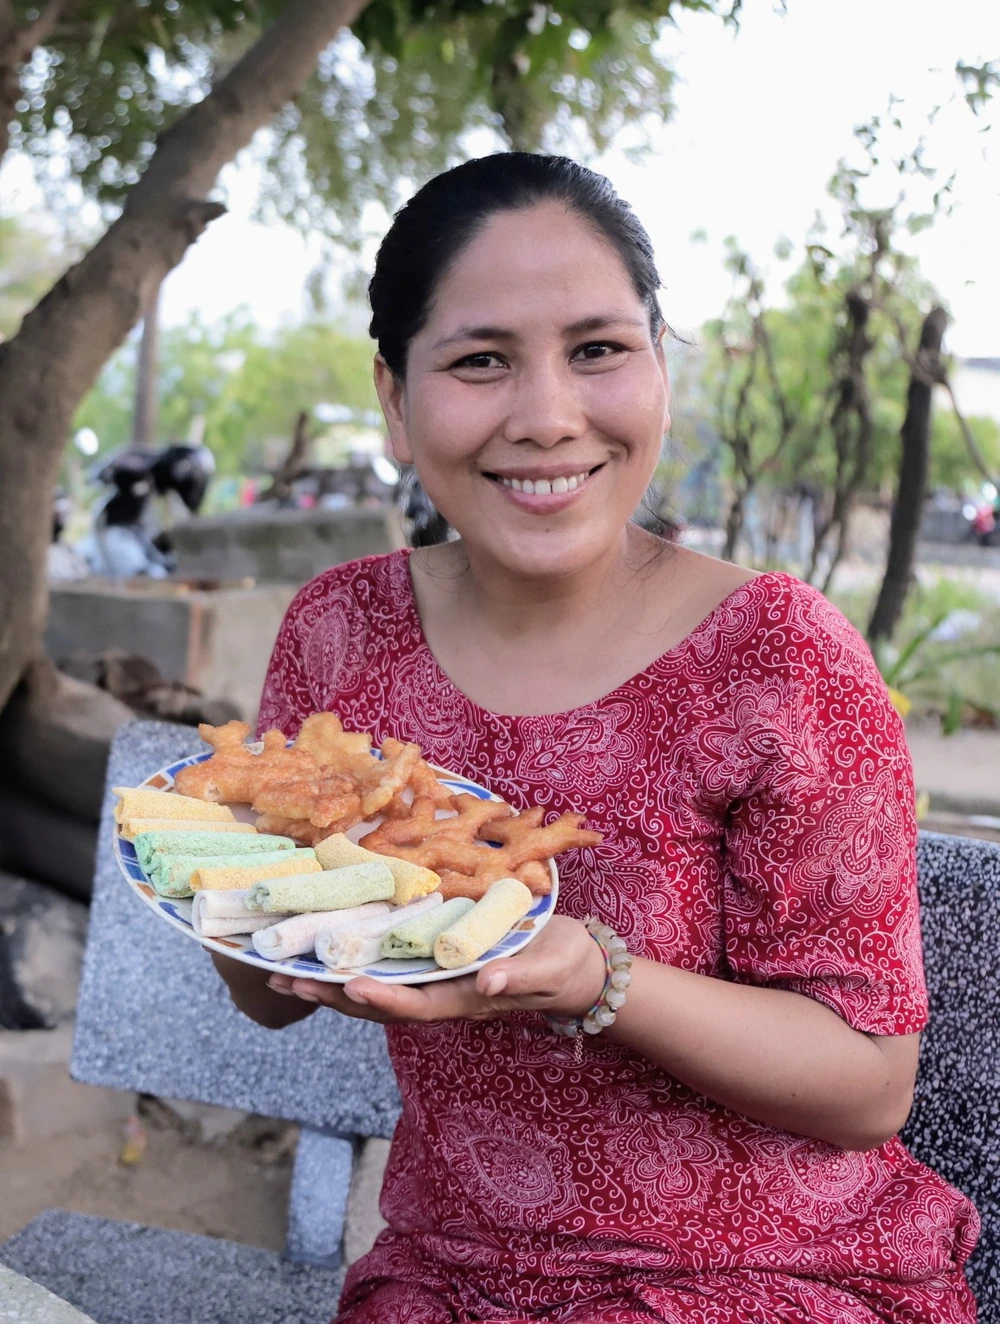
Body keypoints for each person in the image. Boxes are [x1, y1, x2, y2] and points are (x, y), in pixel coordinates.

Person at [213, 153, 979, 1323]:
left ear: (659, 365)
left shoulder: (778, 656)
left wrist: (595, 975)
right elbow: (266, 991)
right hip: (454, 1276)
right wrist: (250, 892)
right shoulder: (340, 634)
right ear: (393, 397)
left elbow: (868, 1083)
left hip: (766, 1278)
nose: (547, 416)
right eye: (479, 361)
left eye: (598, 349)